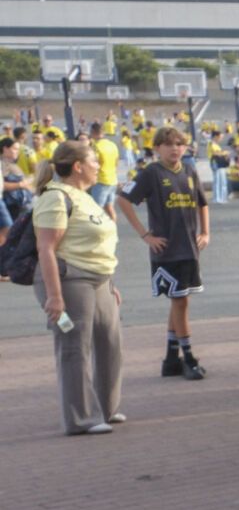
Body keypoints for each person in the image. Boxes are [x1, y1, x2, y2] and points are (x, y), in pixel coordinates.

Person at [31, 140, 125, 435]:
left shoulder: (86, 196)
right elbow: (46, 248)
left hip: (99, 280)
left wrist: (110, 282)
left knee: (110, 343)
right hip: (70, 279)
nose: (99, 165)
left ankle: (106, 409)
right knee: (74, 347)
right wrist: (55, 296)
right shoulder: (55, 197)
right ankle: (80, 418)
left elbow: (96, 243)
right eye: (94, 161)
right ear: (78, 166)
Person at [112, 126, 211, 381]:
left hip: (189, 247)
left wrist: (205, 232)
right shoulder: (151, 173)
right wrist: (145, 235)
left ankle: (170, 358)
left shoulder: (189, 170)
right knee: (181, 302)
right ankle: (188, 357)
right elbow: (123, 199)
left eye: (179, 143)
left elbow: (202, 203)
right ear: (157, 148)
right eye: (168, 144)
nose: (175, 148)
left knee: (179, 299)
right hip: (167, 250)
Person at [88, 121, 119, 206]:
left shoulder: (96, 146)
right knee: (109, 208)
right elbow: (117, 162)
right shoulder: (112, 144)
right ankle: (113, 220)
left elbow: (93, 163)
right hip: (113, 180)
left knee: (96, 209)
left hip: (101, 181)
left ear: (93, 132)